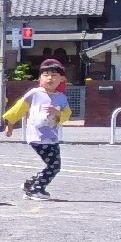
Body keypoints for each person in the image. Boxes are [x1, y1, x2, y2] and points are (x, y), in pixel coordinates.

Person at [4, 56, 73, 198]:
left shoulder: (61, 97)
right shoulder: (35, 93)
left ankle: (30, 184)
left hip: (52, 137)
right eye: (46, 75)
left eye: (54, 75)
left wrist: (58, 112)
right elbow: (19, 107)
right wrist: (10, 123)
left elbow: (66, 114)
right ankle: (36, 190)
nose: (50, 78)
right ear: (40, 77)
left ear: (62, 79)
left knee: (53, 165)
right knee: (54, 166)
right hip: (37, 136)